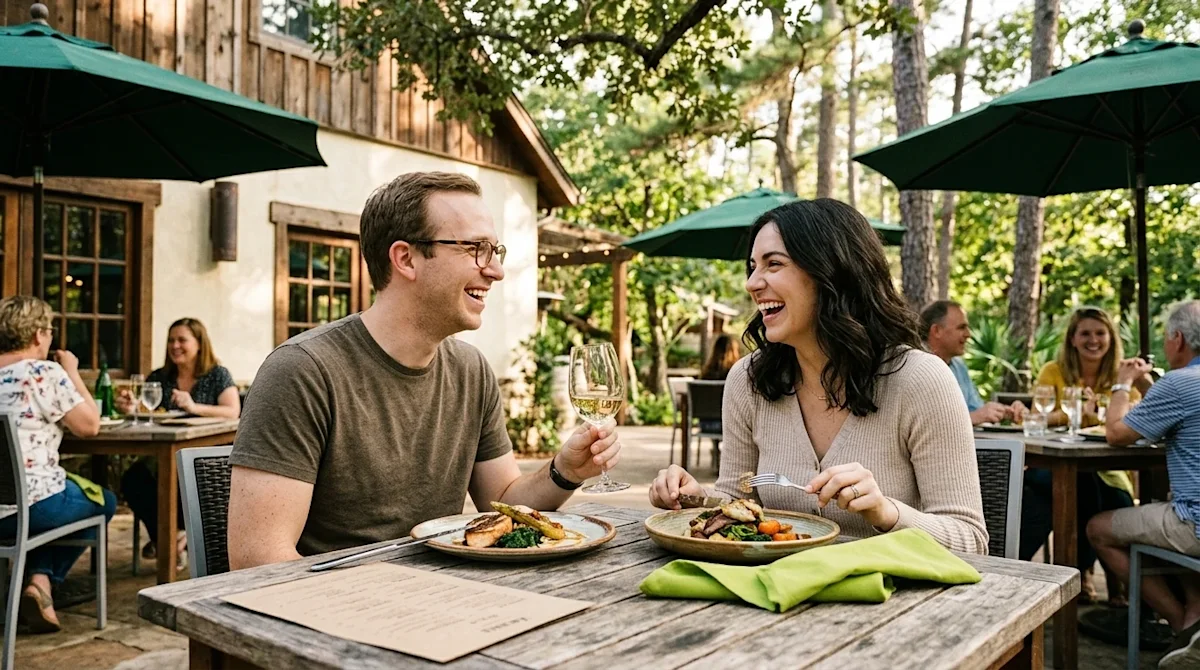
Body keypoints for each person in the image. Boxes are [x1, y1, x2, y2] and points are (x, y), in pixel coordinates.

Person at [226, 172, 621, 568]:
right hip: (335, 614)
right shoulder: (303, 372)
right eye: (475, 249)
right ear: (405, 258)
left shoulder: (471, 371)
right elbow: (258, 559)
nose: (496, 271)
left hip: (445, 596)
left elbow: (503, 500)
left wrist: (563, 471)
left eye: (494, 250)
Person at [649, 199, 988, 554]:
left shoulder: (921, 380)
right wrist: (695, 498)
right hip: (771, 595)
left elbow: (971, 541)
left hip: (888, 601)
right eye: (752, 267)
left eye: (773, 264)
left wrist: (885, 512)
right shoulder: (749, 380)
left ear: (831, 272)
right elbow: (736, 499)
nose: (752, 283)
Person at [1089, 301, 1200, 669]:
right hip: (1183, 515)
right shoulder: (1177, 385)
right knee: (1157, 515)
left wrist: (1122, 383)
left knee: (1099, 528)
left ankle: (1181, 625)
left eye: (1167, 338)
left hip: (1194, 523)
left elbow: (1116, 433)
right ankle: (1196, 618)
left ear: (1178, 339)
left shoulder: (1180, 383)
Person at [0, 296, 115, 633]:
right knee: (103, 502)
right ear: (37, 335)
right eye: (49, 330)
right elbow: (89, 426)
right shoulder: (42, 373)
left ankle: (37, 580)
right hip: (30, 507)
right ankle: (41, 580)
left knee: (67, 497)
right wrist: (71, 372)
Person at [1023, 306, 1139, 605]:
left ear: (1110, 339)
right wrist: (1074, 415)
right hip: (1056, 464)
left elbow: (1135, 418)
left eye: (1100, 333)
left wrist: (1100, 413)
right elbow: (1038, 418)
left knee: (1118, 500)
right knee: (1084, 490)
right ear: (1072, 339)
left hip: (1108, 467)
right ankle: (1089, 574)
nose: (1093, 340)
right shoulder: (1054, 370)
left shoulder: (1122, 377)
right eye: (1085, 333)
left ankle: (1105, 576)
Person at [116, 318, 239, 565]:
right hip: (165, 455)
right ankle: (173, 539)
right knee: (134, 478)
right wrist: (132, 408)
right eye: (171, 340)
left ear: (199, 344)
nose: (175, 346)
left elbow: (232, 411)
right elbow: (149, 410)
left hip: (205, 454)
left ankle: (170, 543)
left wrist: (195, 407)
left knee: (180, 476)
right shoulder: (161, 377)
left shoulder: (217, 374)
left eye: (182, 340)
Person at [920, 300, 1026, 426]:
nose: (968, 334)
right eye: (961, 328)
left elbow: (976, 409)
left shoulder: (958, 366)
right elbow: (928, 424)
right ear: (936, 330)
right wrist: (975, 417)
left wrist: (1005, 412)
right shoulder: (917, 367)